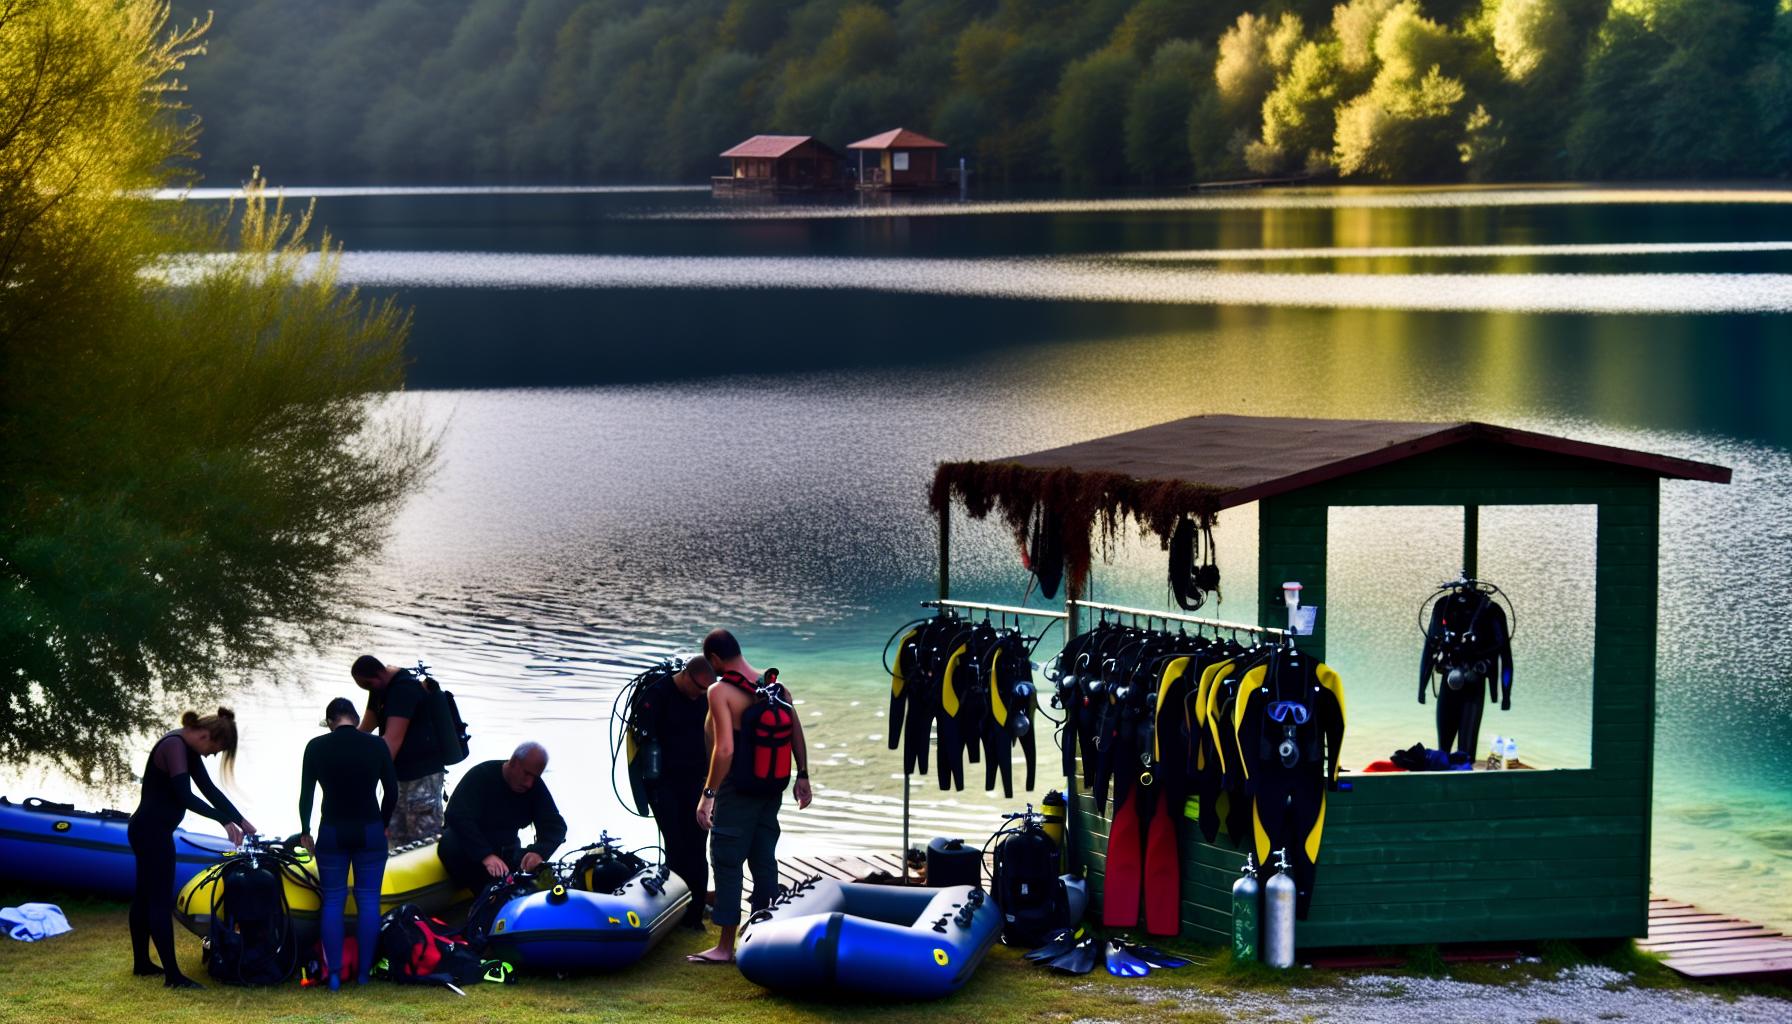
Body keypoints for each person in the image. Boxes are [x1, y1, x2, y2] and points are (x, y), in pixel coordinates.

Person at [688, 629, 812, 964]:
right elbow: (796, 732)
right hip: (772, 786)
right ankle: (765, 934)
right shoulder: (774, 686)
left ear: (714, 659)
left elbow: (725, 749)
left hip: (736, 789)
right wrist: (803, 775)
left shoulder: (720, 691)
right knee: (764, 860)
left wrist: (708, 794)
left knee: (727, 862)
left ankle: (725, 947)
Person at [128, 708, 254, 989]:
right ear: (205, 735)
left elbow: (209, 790)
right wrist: (223, 820)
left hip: (149, 830)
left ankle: (142, 964)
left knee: (144, 897)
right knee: (158, 901)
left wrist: (241, 821)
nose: (211, 755)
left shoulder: (186, 748)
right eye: (214, 749)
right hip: (151, 832)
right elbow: (185, 796)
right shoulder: (174, 746)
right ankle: (173, 976)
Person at [298, 697, 398, 989]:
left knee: (332, 901)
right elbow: (391, 791)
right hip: (369, 830)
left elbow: (307, 795)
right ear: (355, 718)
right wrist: (384, 823)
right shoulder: (377, 745)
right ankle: (364, 975)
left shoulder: (316, 747)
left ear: (330, 722)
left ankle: (333, 977)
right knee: (368, 900)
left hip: (332, 831)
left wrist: (305, 830)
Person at [640, 655, 715, 929]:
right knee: (676, 847)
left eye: (705, 691)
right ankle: (675, 913)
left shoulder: (706, 698)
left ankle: (694, 916)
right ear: (684, 675)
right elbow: (644, 743)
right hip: (664, 785)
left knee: (697, 849)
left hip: (697, 784)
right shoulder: (658, 694)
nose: (699, 695)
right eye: (697, 688)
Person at [437, 742, 568, 894]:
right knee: (452, 844)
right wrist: (485, 855)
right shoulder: (482, 775)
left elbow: (555, 825)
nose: (529, 783)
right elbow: (457, 815)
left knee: (549, 883)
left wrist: (539, 852)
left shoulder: (534, 787)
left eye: (535, 777)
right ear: (513, 763)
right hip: (467, 849)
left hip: (506, 851)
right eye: (526, 774)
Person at [351, 655, 444, 848]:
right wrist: (345, 742)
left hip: (422, 777)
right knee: (394, 835)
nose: (368, 690)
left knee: (423, 837)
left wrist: (365, 779)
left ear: (379, 674)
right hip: (398, 778)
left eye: (368, 685)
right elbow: (366, 728)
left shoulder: (403, 690)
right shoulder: (379, 688)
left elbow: (392, 741)